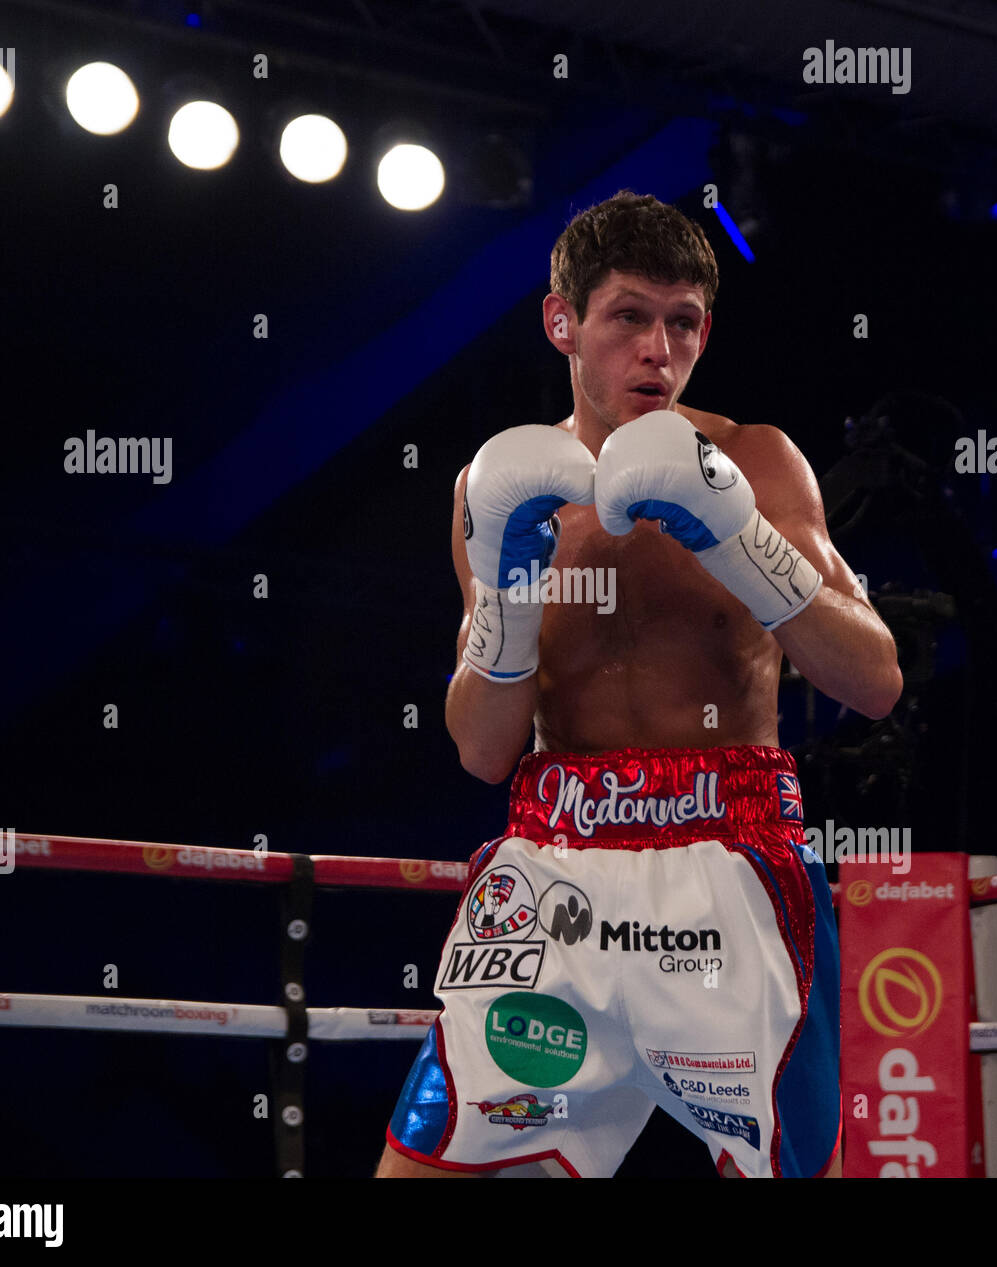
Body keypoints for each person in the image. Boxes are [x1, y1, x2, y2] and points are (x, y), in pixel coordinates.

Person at [376, 190, 901, 1178]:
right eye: (628, 317)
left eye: (682, 323)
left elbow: (872, 678)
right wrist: (503, 600)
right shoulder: (498, 490)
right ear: (562, 320)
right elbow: (484, 748)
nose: (657, 349)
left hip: (728, 858)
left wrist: (741, 541)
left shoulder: (754, 460)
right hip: (554, 869)